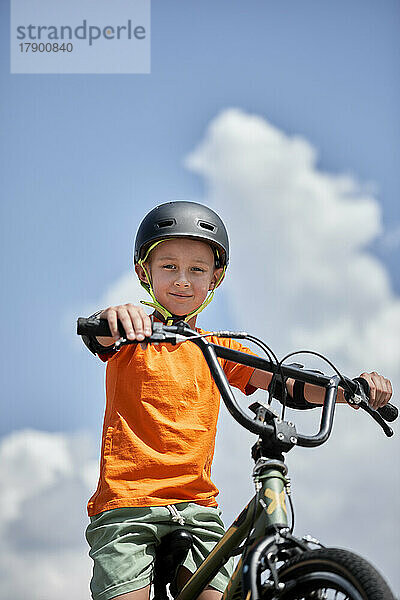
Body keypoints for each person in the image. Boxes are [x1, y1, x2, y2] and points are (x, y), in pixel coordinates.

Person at [82, 201, 392, 600]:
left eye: (197, 269)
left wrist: (350, 391)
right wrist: (116, 318)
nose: (182, 280)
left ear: (215, 278)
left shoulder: (219, 349)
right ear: (145, 273)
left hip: (197, 507)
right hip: (128, 507)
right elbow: (101, 334)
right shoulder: (131, 336)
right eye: (169, 267)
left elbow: (285, 384)